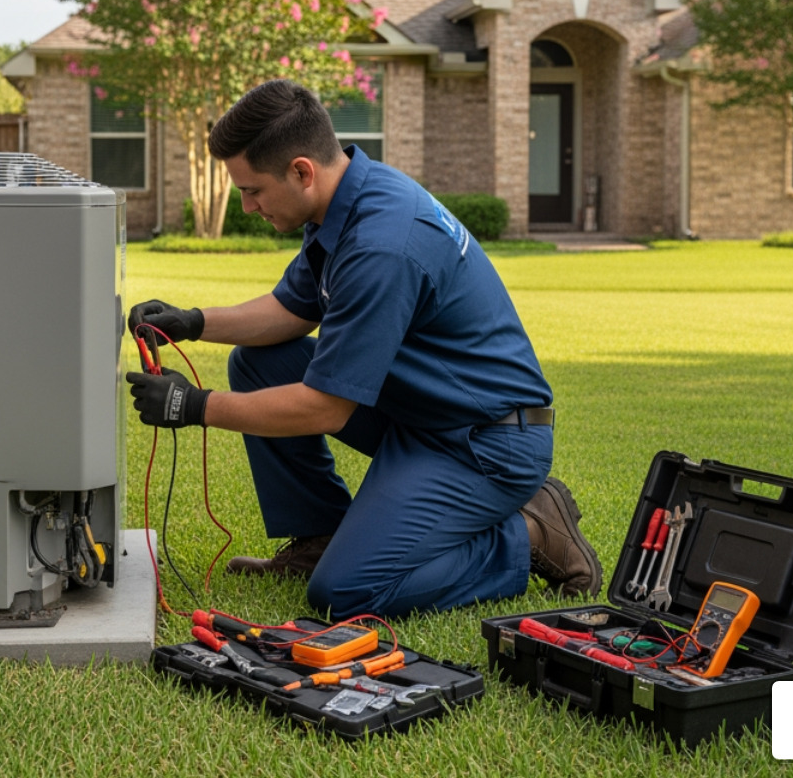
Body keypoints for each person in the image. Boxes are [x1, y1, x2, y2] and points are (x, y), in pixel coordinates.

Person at [126, 79, 601, 617]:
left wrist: (193, 406)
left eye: (253, 190)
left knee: (347, 592)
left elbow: (324, 408)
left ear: (301, 171)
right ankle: (319, 538)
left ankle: (530, 533)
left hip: (486, 443)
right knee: (260, 363)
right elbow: (290, 310)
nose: (247, 205)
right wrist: (191, 322)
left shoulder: (382, 243)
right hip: (425, 414)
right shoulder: (347, 200)